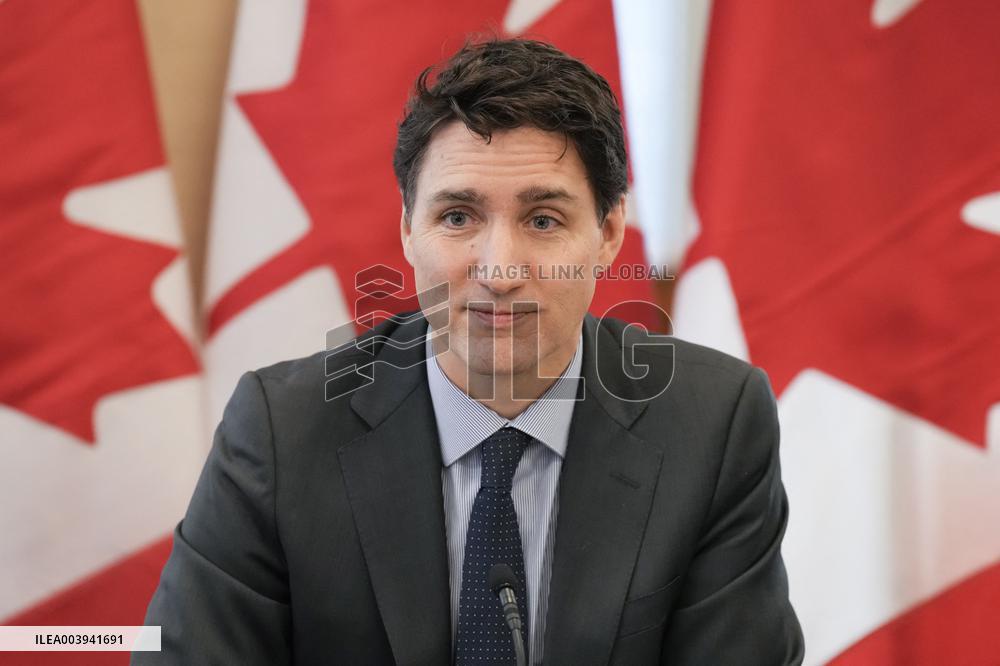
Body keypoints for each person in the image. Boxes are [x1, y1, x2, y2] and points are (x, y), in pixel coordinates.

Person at [135, 38, 803, 665]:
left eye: (543, 220)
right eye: (458, 217)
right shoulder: (283, 430)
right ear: (407, 229)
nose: (499, 269)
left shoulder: (713, 423)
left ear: (608, 233)